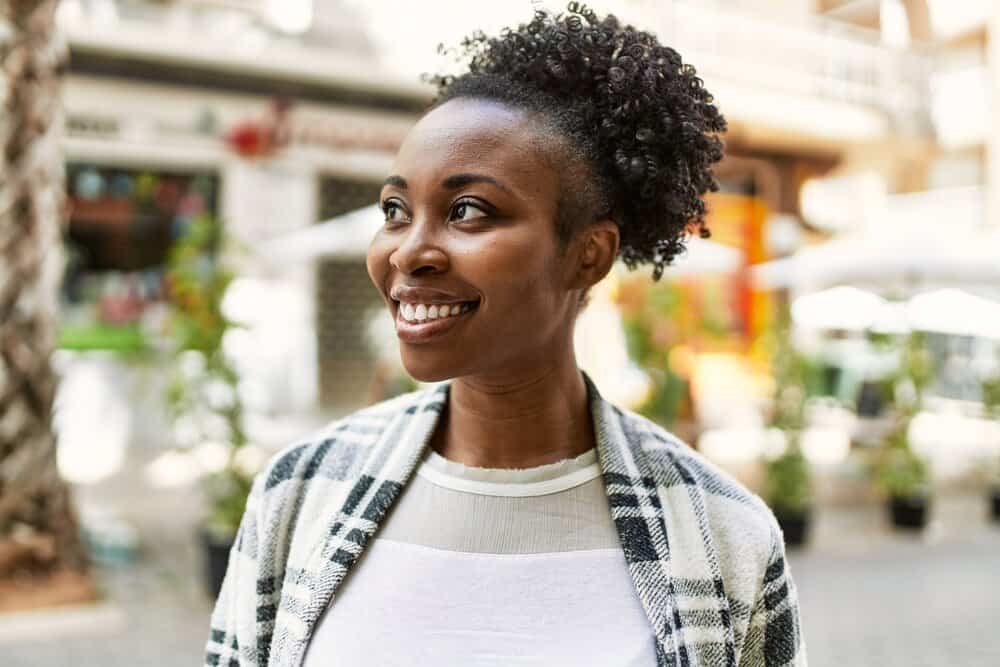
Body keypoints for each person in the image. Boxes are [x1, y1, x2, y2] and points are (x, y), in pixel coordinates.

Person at [205, 4, 806, 666]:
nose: (408, 251)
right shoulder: (300, 492)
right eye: (395, 211)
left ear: (590, 253)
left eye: (468, 210)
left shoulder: (723, 534)